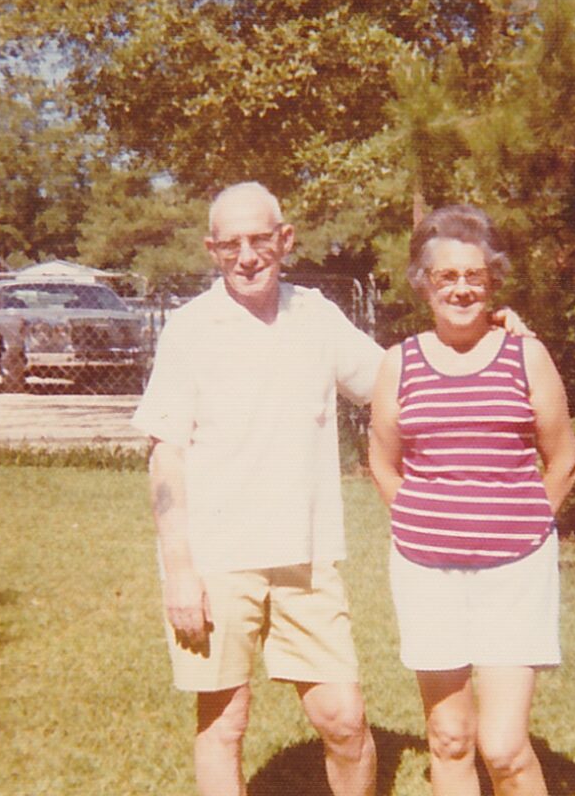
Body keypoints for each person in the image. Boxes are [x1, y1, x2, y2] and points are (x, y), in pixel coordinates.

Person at [131, 182, 534, 796]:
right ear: (212, 249)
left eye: (260, 240)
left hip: (308, 560)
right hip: (215, 564)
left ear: (285, 240)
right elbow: (166, 454)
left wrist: (476, 328)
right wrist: (180, 570)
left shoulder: (316, 315)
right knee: (224, 725)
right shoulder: (189, 330)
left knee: (344, 722)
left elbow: (399, 384)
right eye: (231, 244)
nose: (247, 256)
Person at [367, 205, 575, 796]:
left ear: (492, 282)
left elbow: (563, 458)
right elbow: (383, 463)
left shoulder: (524, 354)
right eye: (447, 277)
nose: (461, 289)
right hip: (427, 573)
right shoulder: (398, 363)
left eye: (474, 277)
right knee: (451, 739)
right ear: (424, 284)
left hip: (515, 574)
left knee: (505, 747)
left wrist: (527, 522)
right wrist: (418, 521)